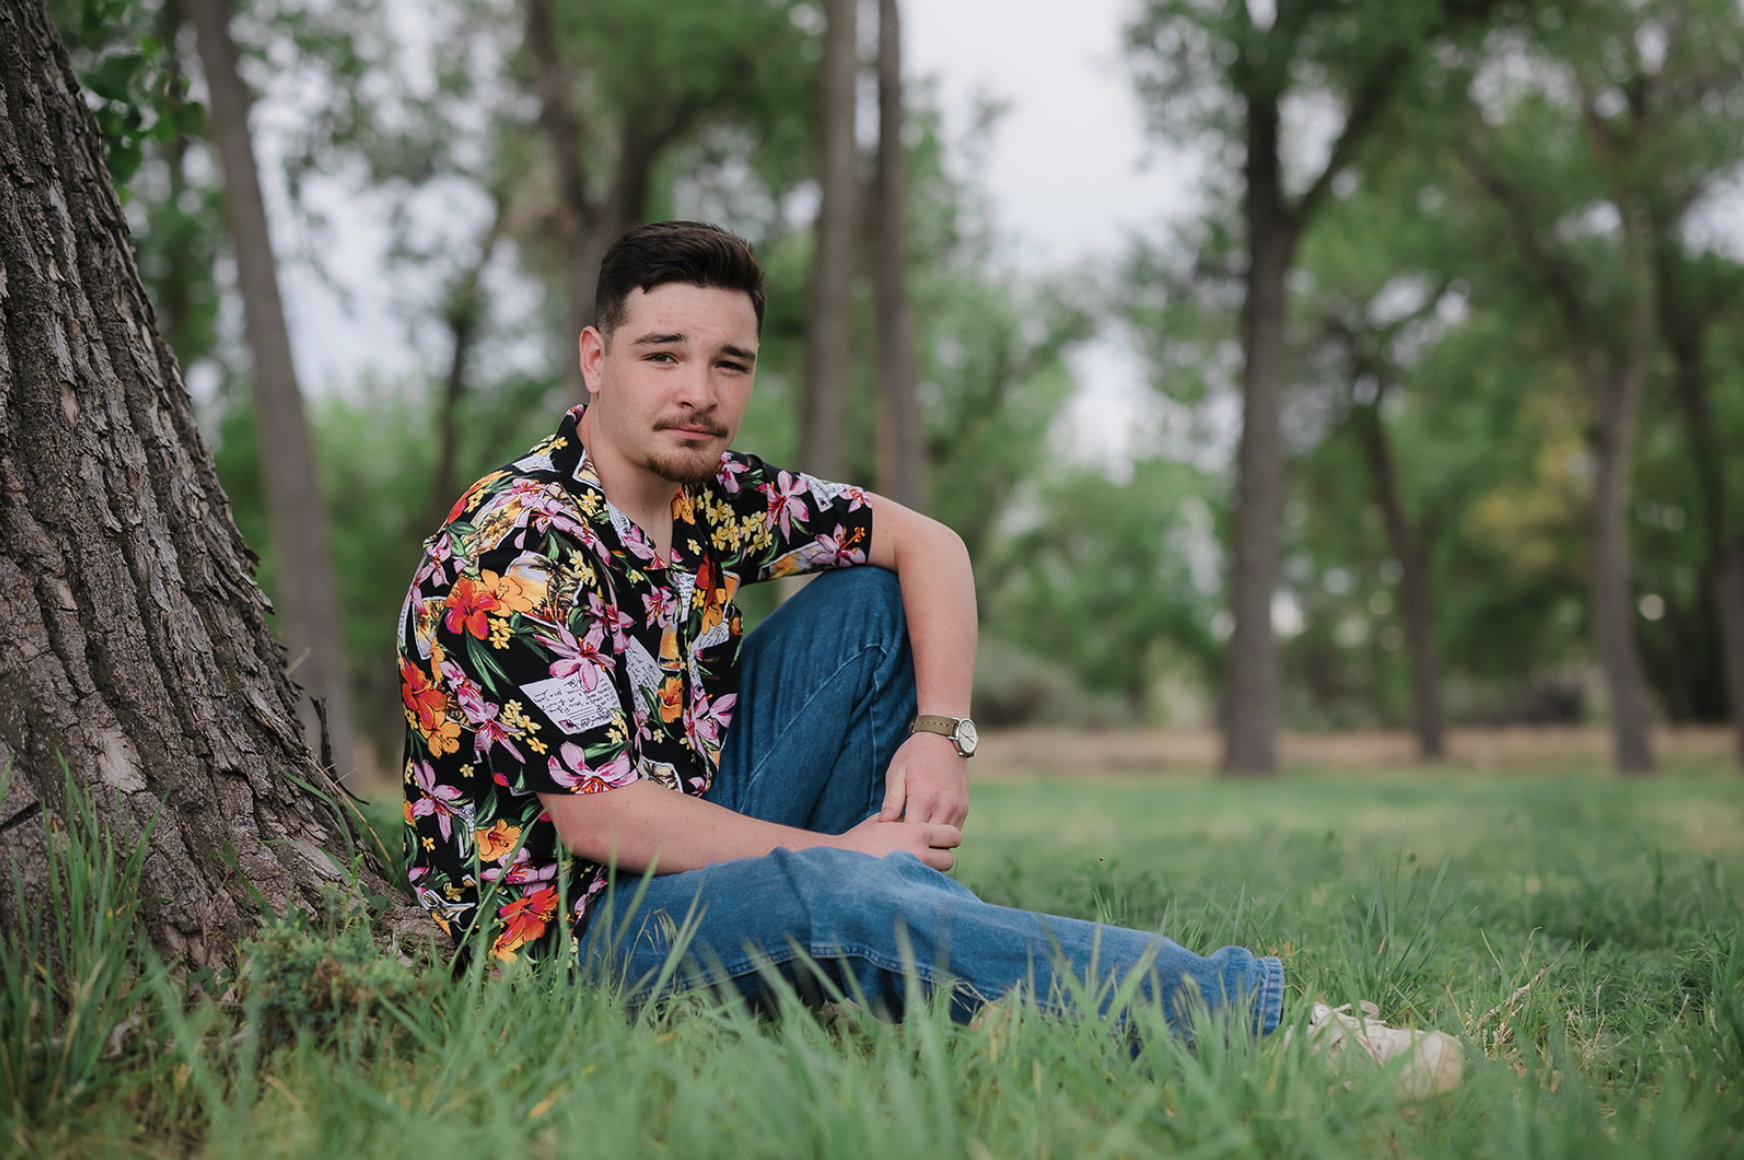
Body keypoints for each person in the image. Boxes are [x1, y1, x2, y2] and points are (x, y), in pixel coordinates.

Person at [397, 221, 1458, 1088]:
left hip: (687, 831)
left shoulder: (712, 495)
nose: (701, 390)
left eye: (730, 362)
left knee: (870, 597)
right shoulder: (518, 545)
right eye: (662, 354)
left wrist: (941, 734)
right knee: (849, 897)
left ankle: (899, 936)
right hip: (568, 939)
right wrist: (841, 857)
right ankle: (1262, 1024)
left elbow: (928, 543)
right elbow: (601, 815)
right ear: (595, 357)